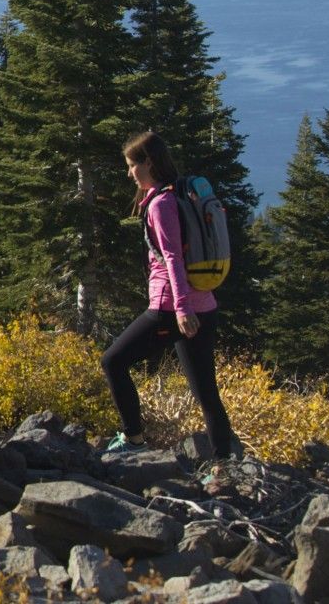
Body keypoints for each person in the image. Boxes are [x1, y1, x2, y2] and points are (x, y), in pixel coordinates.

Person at [100, 131, 239, 462]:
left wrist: (180, 309)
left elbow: (173, 257)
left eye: (132, 165)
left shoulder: (161, 204)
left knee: (113, 362)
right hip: (205, 305)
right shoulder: (181, 194)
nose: (129, 173)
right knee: (206, 389)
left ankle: (133, 438)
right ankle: (222, 463)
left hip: (171, 309)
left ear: (147, 163)